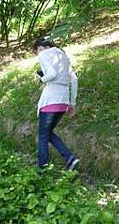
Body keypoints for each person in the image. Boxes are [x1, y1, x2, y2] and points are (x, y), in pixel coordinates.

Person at [34, 36, 79, 171]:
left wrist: (42, 79)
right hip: (63, 100)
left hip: (50, 99)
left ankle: (42, 170)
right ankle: (70, 159)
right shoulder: (63, 55)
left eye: (39, 50)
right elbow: (74, 79)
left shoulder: (44, 55)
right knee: (47, 133)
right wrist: (72, 102)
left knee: (42, 136)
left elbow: (52, 74)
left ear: (45, 47)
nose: (39, 53)